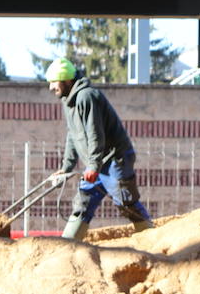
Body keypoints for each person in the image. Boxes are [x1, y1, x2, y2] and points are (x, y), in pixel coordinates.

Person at [45, 58, 156, 240]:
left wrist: (93, 167)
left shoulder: (86, 97)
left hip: (114, 159)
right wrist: (67, 167)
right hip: (97, 163)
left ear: (66, 80)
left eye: (53, 82)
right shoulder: (68, 101)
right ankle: (66, 246)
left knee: (126, 202)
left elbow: (95, 133)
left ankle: (153, 240)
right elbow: (72, 134)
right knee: (82, 204)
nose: (50, 87)